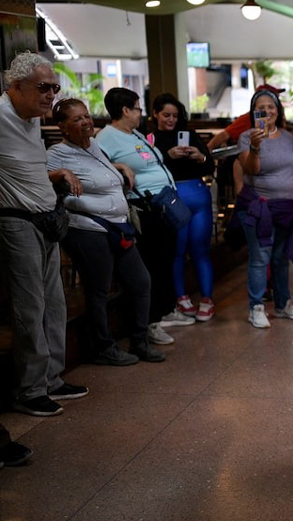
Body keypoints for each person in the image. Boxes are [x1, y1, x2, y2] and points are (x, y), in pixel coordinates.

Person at [0, 52, 88, 416]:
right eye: (43, 87)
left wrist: (56, 175)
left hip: (46, 218)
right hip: (16, 221)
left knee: (55, 303)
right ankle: (29, 389)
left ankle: (51, 378)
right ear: (15, 86)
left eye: (54, 87)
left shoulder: (31, 118)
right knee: (29, 308)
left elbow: (26, 167)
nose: (51, 94)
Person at [48, 98, 164, 366]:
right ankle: (103, 346)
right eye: (76, 119)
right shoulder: (57, 153)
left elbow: (103, 172)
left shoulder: (96, 146)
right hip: (87, 228)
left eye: (86, 116)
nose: (85, 122)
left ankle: (139, 340)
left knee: (141, 281)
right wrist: (60, 174)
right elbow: (39, 178)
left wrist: (120, 167)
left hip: (118, 224)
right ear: (63, 127)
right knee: (98, 288)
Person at [97, 88, 183, 346]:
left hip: (163, 206)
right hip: (143, 209)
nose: (140, 113)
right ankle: (149, 322)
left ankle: (162, 311)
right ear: (125, 110)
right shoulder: (106, 138)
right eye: (137, 108)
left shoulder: (134, 133)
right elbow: (98, 165)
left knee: (166, 260)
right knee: (152, 265)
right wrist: (118, 167)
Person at [236, 88, 293, 329]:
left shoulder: (288, 137)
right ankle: (255, 307)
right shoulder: (247, 137)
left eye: (271, 107)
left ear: (278, 111)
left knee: (281, 257)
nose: (266, 111)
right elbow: (251, 170)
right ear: (254, 112)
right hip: (261, 206)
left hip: (288, 206)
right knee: (260, 257)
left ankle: (283, 303)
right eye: (261, 107)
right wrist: (256, 147)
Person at [149, 93, 215, 323]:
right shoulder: (150, 139)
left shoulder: (190, 135)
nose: (171, 120)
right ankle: (181, 297)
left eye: (175, 116)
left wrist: (199, 157)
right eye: (166, 115)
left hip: (197, 194)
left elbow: (210, 165)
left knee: (200, 250)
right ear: (155, 113)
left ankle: (207, 299)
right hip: (173, 198)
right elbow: (148, 169)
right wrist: (167, 156)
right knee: (176, 252)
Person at [206, 84, 285, 151]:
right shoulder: (250, 118)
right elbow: (225, 134)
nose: (277, 99)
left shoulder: (277, 118)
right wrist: (206, 151)